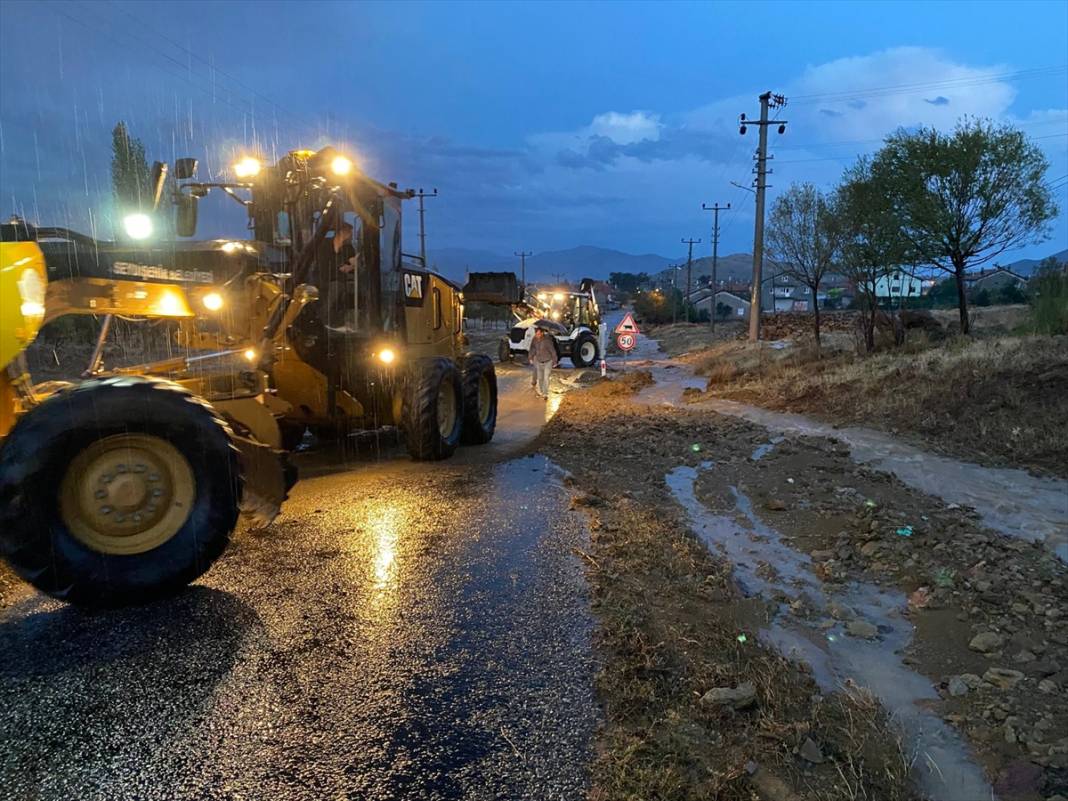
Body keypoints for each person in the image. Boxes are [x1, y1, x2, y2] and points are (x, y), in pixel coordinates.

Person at [528, 327, 558, 398]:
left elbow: (553, 351)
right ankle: (541, 391)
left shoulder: (547, 340)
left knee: (546, 377)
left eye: (538, 334)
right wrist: (530, 357)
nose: (537, 335)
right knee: (540, 378)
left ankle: (545, 393)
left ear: (542, 333)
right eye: (536, 334)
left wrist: (555, 361)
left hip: (548, 361)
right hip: (539, 361)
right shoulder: (534, 339)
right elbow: (532, 349)